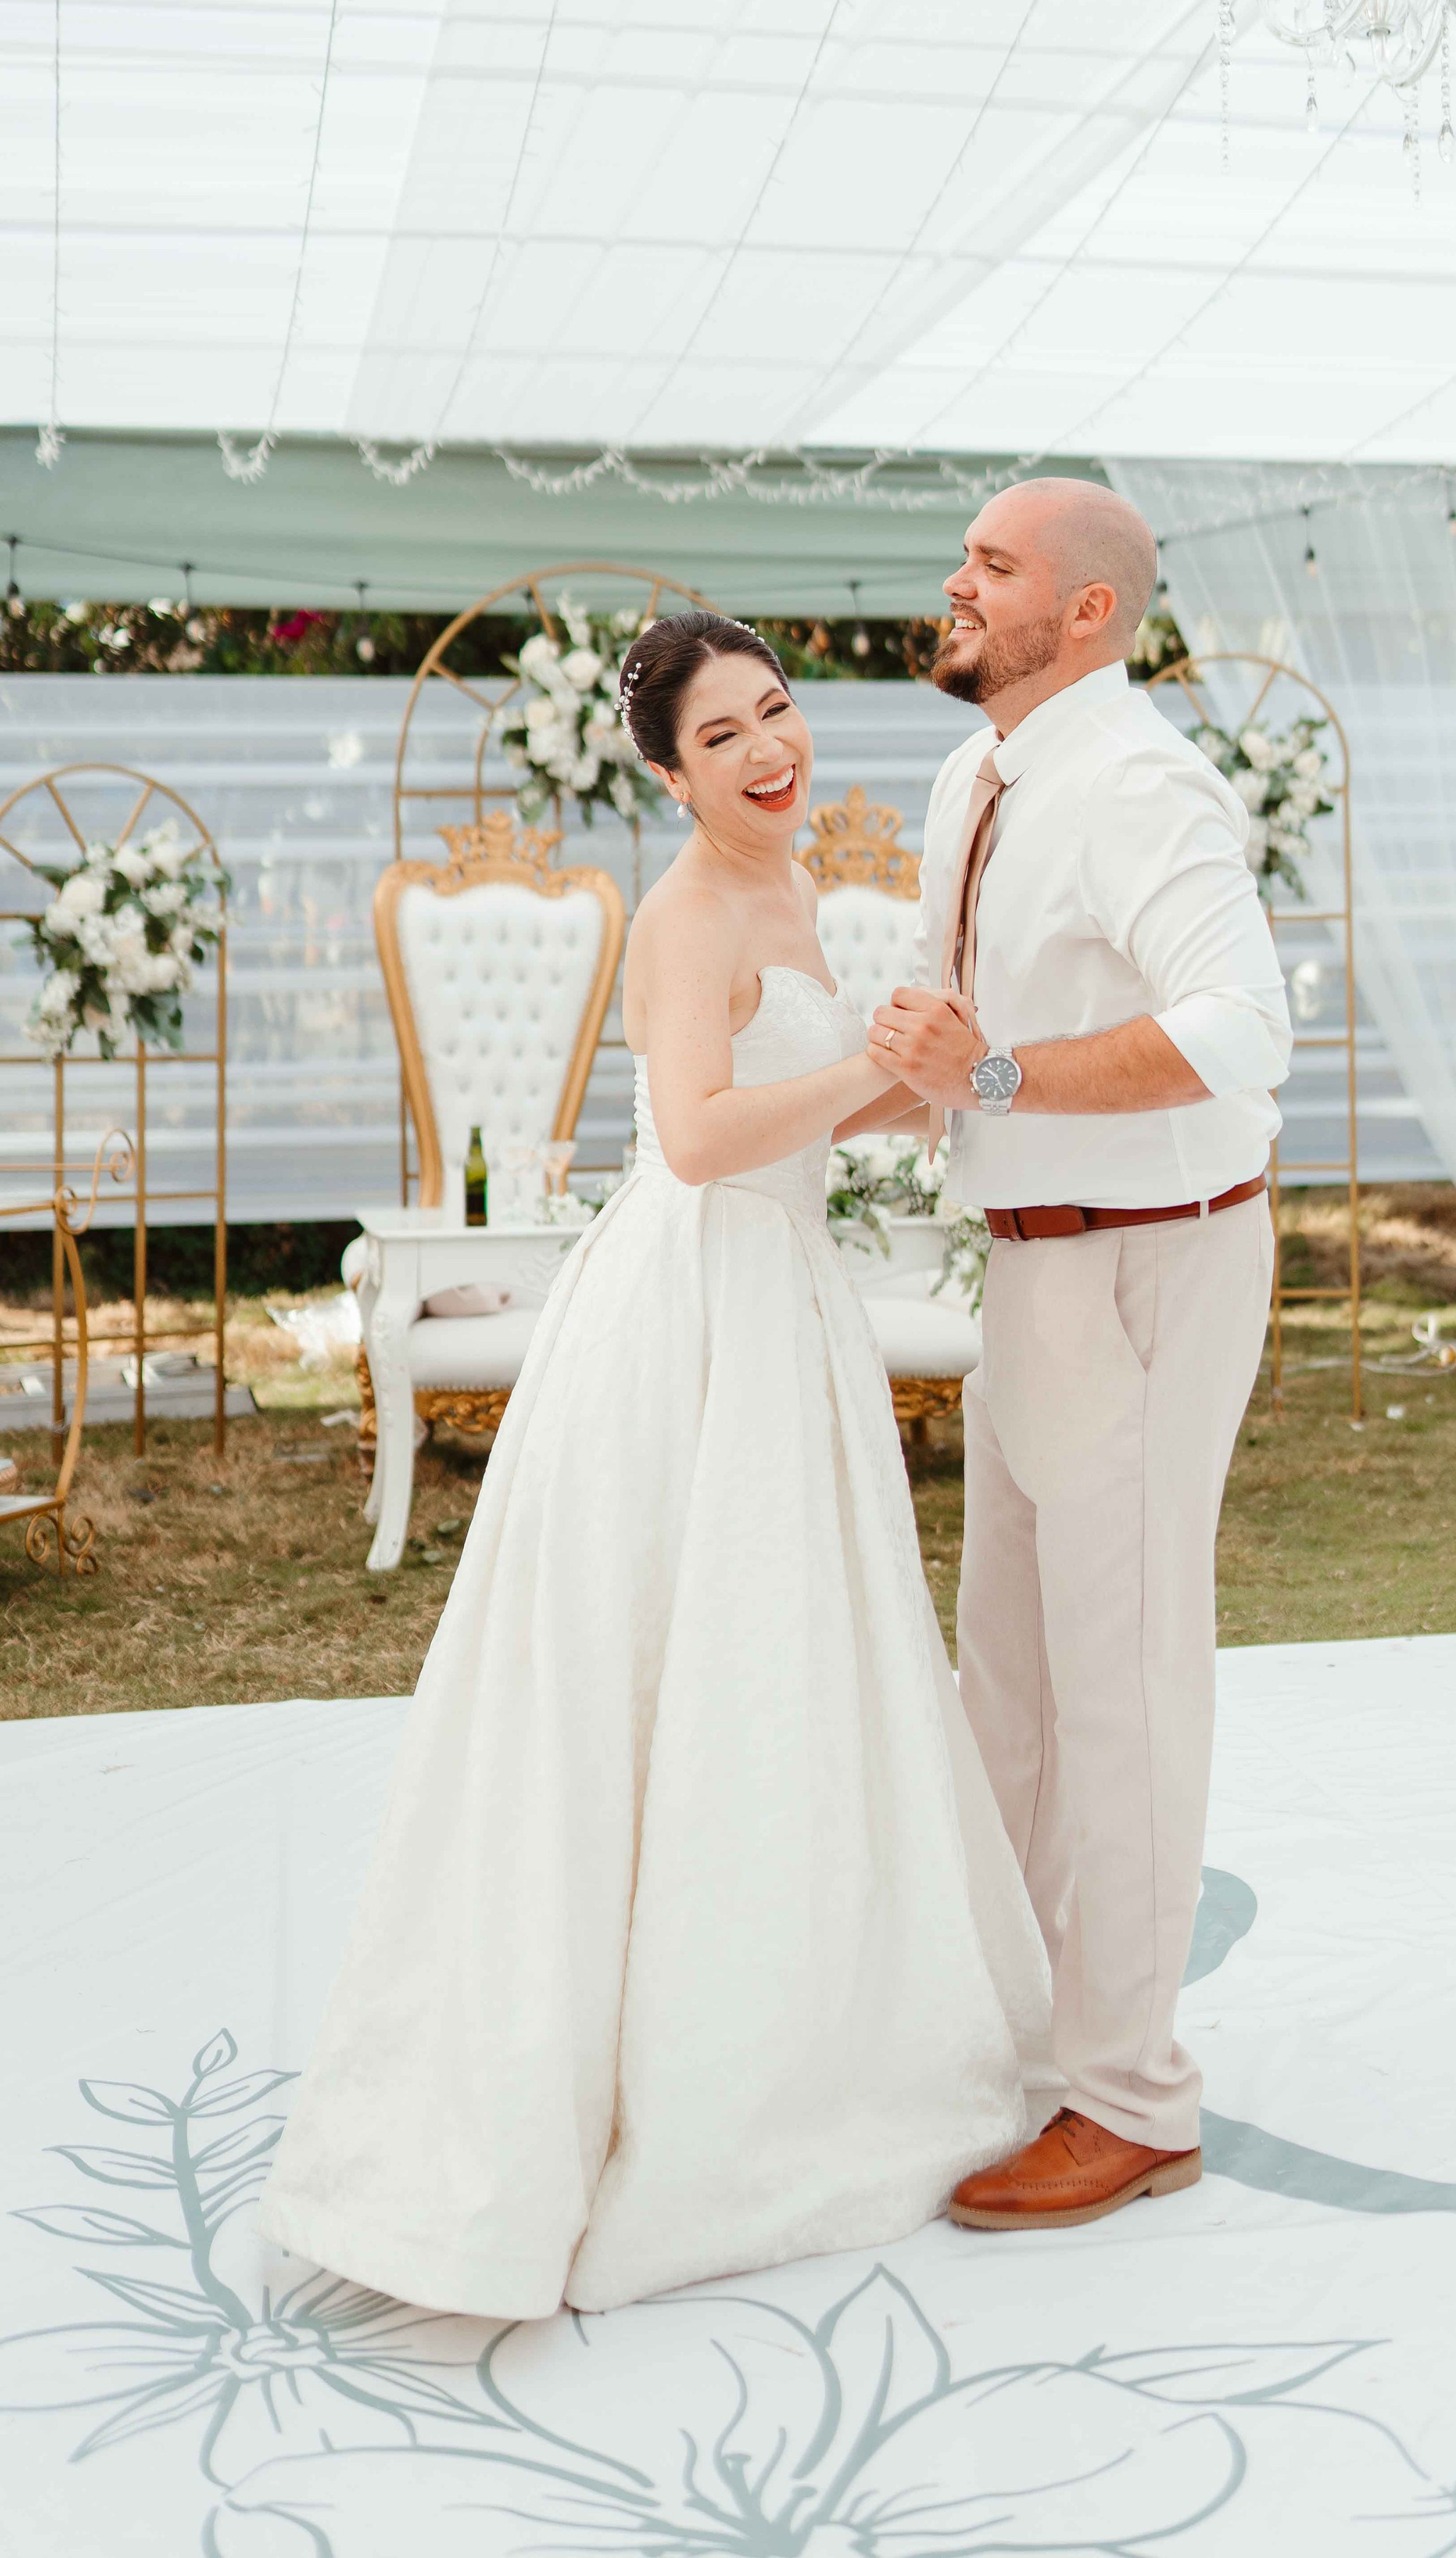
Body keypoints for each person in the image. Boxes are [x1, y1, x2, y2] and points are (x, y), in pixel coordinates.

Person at [259, 613, 1051, 2319]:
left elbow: (832, 1114)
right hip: (695, 1307)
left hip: (789, 1303)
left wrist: (925, 1081)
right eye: (725, 739)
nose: (772, 750)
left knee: (794, 1673)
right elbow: (695, 1134)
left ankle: (817, 2033)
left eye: (778, 713)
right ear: (666, 771)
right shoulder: (688, 914)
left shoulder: (797, 897)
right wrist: (867, 1067)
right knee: (676, 1672)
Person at [869, 478, 1290, 2231]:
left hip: (1148, 1270)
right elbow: (930, 1019)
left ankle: (1131, 2102)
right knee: (1014, 1691)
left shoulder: (1139, 783)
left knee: (1115, 1689)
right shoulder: (976, 775)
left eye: (994, 565)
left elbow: (1239, 1033)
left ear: (1088, 615)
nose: (955, 584)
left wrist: (989, 1079)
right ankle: (1033, 2039)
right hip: (1033, 1275)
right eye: (964, 557)